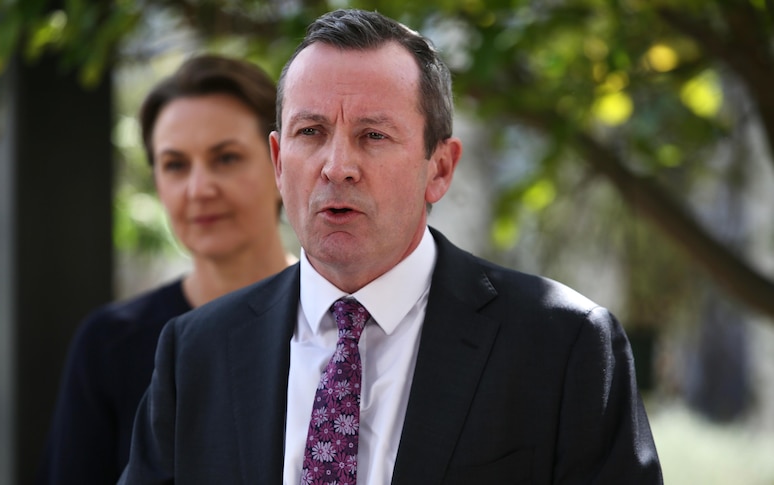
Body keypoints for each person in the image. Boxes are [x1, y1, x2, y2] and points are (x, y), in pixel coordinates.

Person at [119, 9, 662, 484]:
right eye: (311, 132)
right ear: (279, 162)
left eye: (373, 135)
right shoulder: (195, 351)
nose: (337, 167)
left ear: (440, 168)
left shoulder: (563, 345)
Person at [37, 55, 294, 484]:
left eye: (226, 158)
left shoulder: (342, 325)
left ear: (280, 162)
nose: (199, 189)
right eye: (175, 164)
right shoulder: (110, 344)